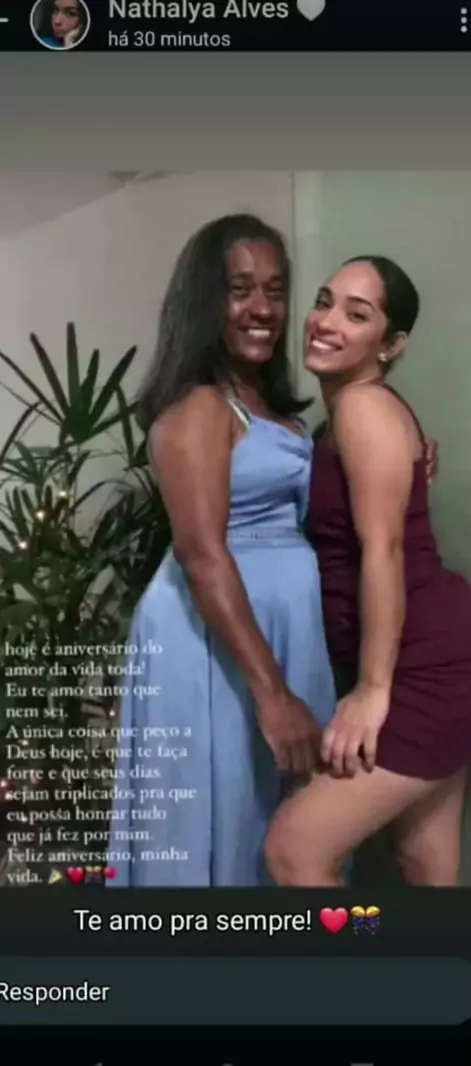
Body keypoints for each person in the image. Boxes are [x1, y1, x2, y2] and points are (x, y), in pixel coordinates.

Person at [108, 214, 337, 886]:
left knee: (280, 827)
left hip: (277, 630)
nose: (262, 308)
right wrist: (273, 694)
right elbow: (203, 555)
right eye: (241, 290)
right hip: (214, 640)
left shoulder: (270, 408)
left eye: (275, 289)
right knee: (221, 819)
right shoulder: (200, 407)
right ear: (205, 300)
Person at [265, 255, 471, 887]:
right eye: (324, 301)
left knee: (295, 850)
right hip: (437, 651)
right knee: (426, 864)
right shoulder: (345, 416)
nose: (326, 321)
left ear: (391, 345)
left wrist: (371, 691)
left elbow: (383, 551)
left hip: (423, 668)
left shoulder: (363, 407)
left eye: (356, 315)